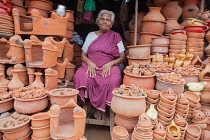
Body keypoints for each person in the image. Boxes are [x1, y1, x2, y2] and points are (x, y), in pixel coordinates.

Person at [73, 9, 125, 121]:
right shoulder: (91, 35)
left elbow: (122, 57)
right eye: (102, 19)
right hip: (91, 65)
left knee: (114, 79)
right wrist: (89, 62)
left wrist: (111, 63)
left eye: (108, 20)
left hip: (109, 66)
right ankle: (94, 106)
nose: (105, 22)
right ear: (98, 22)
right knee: (80, 76)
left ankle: (103, 109)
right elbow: (83, 55)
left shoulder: (116, 36)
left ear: (111, 24)